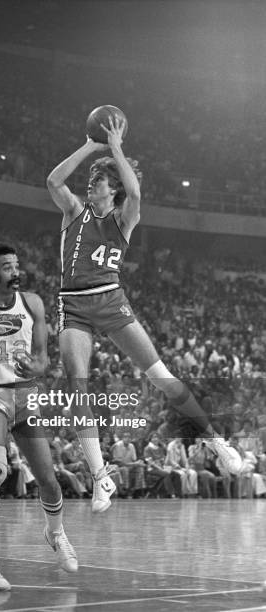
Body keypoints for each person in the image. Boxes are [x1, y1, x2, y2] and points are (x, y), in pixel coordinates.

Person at [46, 115, 242, 513]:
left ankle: (215, 440)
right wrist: (90, 145)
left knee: (162, 377)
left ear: (112, 188)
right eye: (92, 179)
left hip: (111, 302)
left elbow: (135, 194)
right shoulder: (73, 212)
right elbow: (52, 181)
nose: (91, 183)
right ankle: (101, 478)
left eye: (99, 180)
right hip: (73, 306)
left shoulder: (124, 218)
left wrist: (116, 147)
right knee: (76, 386)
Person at [0, 243, 77, 591]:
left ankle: (55, 534)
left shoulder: (34, 303)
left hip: (26, 397)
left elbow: (42, 359)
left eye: (17, 266)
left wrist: (36, 366)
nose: (16, 272)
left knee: (49, 481)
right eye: (7, 267)